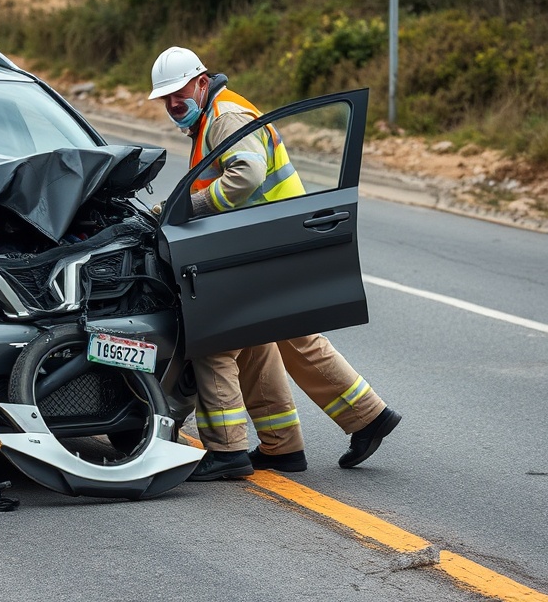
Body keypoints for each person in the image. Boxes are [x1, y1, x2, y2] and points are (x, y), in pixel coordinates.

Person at [149, 46, 401, 473]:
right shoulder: (213, 117)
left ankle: (230, 451)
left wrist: (190, 207)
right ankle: (299, 440)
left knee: (219, 340)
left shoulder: (225, 116)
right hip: (265, 238)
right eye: (166, 98)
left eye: (180, 92)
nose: (174, 103)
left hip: (265, 241)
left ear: (202, 81)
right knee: (278, 339)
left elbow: (246, 175)